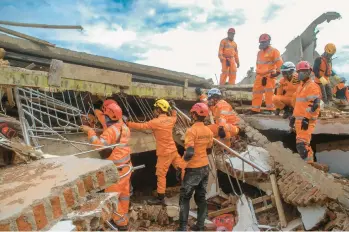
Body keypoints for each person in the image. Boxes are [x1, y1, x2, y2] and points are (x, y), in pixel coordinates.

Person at [81, 101, 131, 231]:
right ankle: (123, 218)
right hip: (126, 168)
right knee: (124, 196)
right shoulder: (123, 126)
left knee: (112, 198)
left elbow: (99, 145)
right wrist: (96, 113)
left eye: (105, 115)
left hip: (116, 172)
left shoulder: (110, 131)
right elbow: (106, 124)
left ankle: (121, 223)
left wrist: (90, 131)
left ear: (108, 116)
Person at [126, 99, 186, 205]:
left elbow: (141, 126)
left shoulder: (155, 122)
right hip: (173, 150)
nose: (154, 110)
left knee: (161, 175)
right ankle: (188, 188)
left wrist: (127, 123)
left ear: (158, 110)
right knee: (182, 168)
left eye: (155, 109)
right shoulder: (170, 120)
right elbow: (174, 116)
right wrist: (172, 109)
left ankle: (160, 198)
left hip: (164, 153)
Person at [178, 103, 213, 231]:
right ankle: (200, 226)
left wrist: (180, 167)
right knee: (201, 197)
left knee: (184, 197)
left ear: (194, 114)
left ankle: (182, 228)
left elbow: (190, 152)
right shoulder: (208, 131)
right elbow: (209, 150)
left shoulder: (191, 131)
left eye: (192, 113)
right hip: (205, 167)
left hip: (193, 168)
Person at [289, 61, 321, 164]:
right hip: (299, 121)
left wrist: (307, 118)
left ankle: (309, 166)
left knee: (302, 145)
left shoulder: (313, 86)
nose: (301, 73)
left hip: (307, 121)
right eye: (299, 71)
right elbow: (298, 105)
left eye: (304, 71)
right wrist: (293, 117)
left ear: (309, 72)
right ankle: (308, 165)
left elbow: (314, 105)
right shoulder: (300, 87)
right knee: (302, 145)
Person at [250, 33, 283, 114]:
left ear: (268, 42)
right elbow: (258, 64)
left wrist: (277, 73)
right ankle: (255, 110)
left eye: (264, 42)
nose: (262, 44)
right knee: (256, 92)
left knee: (269, 93)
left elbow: (279, 63)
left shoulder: (274, 51)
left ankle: (270, 110)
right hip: (259, 76)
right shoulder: (259, 53)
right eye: (261, 42)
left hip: (269, 76)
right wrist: (257, 73)